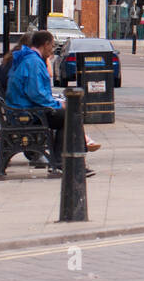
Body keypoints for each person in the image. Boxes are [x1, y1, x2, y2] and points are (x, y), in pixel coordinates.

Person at [5, 30, 95, 176]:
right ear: (45, 44)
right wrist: (57, 105)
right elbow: (36, 93)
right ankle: (65, 163)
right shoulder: (33, 62)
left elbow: (36, 92)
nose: (52, 50)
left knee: (68, 114)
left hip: (22, 109)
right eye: (52, 46)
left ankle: (71, 160)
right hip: (27, 113)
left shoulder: (29, 58)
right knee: (70, 116)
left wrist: (56, 103)